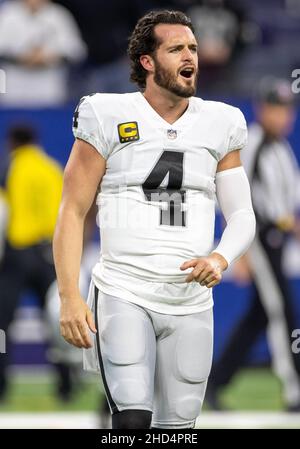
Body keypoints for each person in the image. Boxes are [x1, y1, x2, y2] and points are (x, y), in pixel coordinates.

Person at [53, 10, 256, 429]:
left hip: (191, 299)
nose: (191, 57)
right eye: (177, 48)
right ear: (148, 61)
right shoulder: (106, 113)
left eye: (194, 48)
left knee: (179, 429)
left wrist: (220, 258)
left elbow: (241, 215)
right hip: (123, 288)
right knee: (130, 424)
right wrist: (70, 297)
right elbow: (72, 210)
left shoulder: (221, 122)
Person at [206, 77, 300, 412]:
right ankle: (295, 390)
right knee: (281, 313)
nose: (284, 116)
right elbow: (231, 199)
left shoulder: (281, 148)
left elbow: (285, 203)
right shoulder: (254, 142)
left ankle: (215, 382)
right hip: (258, 238)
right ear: (262, 109)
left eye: (287, 109)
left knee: (259, 316)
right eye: (277, 108)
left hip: (276, 237)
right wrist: (240, 252)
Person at [0, 125, 68, 400]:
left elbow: (3, 213)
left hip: (17, 252)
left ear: (13, 143)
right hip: (49, 253)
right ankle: (66, 384)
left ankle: (1, 385)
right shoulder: (52, 168)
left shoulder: (10, 168)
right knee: (58, 320)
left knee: (3, 323)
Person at [0, 0, 86, 106]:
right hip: (14, 84)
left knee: (49, 118)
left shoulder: (58, 14)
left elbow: (77, 52)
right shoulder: (7, 13)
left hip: (48, 84)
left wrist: (49, 58)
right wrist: (21, 58)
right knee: (13, 118)